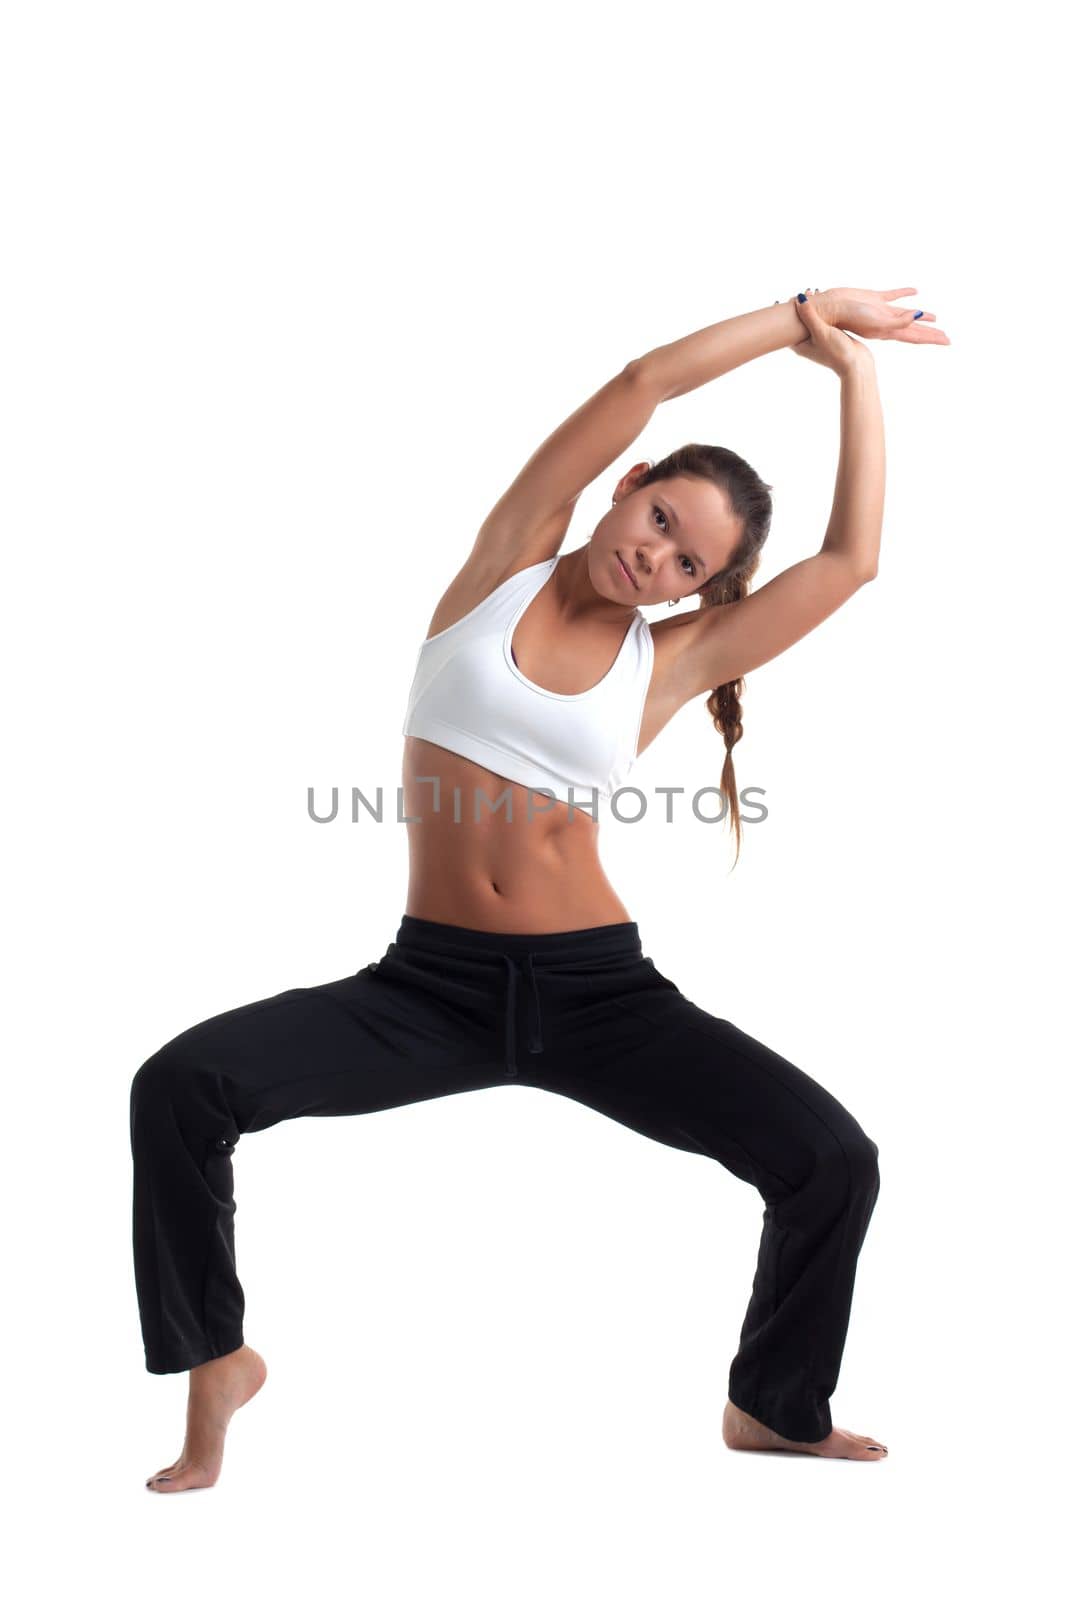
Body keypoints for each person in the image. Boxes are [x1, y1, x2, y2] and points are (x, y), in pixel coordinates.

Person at [132, 287, 950, 1491]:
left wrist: (858, 383)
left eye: (686, 564)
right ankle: (219, 1361)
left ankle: (771, 1407)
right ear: (627, 483)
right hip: (427, 990)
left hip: (597, 994)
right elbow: (640, 380)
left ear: (689, 594)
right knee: (179, 1087)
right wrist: (801, 318)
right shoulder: (502, 567)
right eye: (660, 516)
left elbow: (851, 562)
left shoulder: (665, 665)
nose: (654, 555)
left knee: (832, 1160)